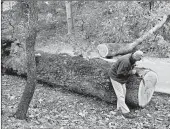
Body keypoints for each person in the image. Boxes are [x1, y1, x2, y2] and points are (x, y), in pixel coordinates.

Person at [109, 50, 143, 119]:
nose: (139, 60)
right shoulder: (125, 61)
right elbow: (120, 73)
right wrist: (131, 72)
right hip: (115, 77)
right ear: (135, 57)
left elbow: (131, 65)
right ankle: (126, 112)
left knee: (123, 93)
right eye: (138, 59)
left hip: (121, 78)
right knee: (120, 95)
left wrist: (136, 72)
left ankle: (119, 109)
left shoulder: (132, 57)